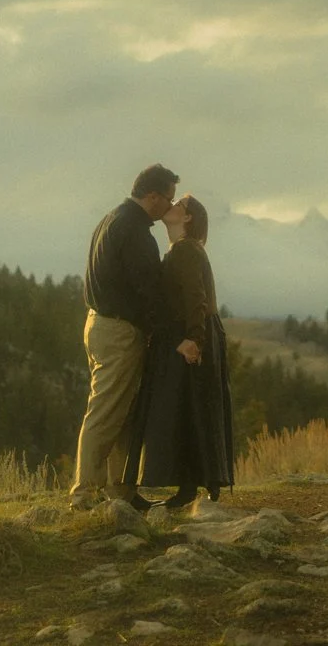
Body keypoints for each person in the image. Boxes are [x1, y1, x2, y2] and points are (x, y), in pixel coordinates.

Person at [69, 162, 178, 510]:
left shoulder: (111, 219)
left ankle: (121, 491)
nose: (169, 209)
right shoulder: (135, 232)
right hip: (118, 330)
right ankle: (85, 493)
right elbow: (148, 289)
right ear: (152, 195)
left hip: (98, 323)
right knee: (105, 411)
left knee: (121, 410)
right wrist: (163, 332)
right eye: (168, 199)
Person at [124, 193, 234, 510]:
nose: (170, 206)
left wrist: (194, 339)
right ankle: (194, 485)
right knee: (192, 408)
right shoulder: (183, 249)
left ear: (187, 218)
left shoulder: (184, 250)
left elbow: (196, 298)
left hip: (189, 335)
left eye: (178, 206)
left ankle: (191, 487)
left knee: (186, 408)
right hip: (189, 334)